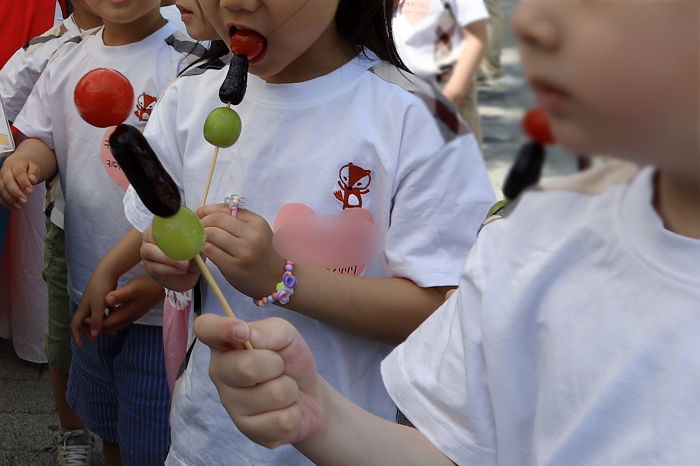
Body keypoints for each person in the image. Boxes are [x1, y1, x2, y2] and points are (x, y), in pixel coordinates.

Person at [193, 0, 700, 464]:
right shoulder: (530, 241)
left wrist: (281, 278)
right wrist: (318, 414)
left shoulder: (417, 118)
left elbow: (431, 303)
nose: (530, 22)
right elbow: (453, 450)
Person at [127, 0, 495, 463]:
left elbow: (438, 312)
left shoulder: (417, 118)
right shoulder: (188, 97)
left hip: (349, 445)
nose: (236, 4)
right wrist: (168, 259)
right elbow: (160, 234)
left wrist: (279, 278)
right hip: (204, 438)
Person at [0, 0, 205, 463]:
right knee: (107, 417)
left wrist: (158, 282)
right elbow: (42, 135)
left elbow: (204, 181)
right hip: (87, 282)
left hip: (162, 298)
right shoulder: (66, 57)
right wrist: (24, 161)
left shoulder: (191, 62)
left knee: (152, 428)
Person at [0, 1, 102, 463]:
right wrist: (17, 160)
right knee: (66, 340)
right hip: (71, 225)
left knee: (142, 348)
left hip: (150, 237)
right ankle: (73, 433)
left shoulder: (183, 51)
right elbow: (7, 104)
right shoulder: (52, 48)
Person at [393, 0, 488, 145]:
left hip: (449, 96)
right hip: (400, 93)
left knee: (454, 160)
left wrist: (451, 96)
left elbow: (476, 38)